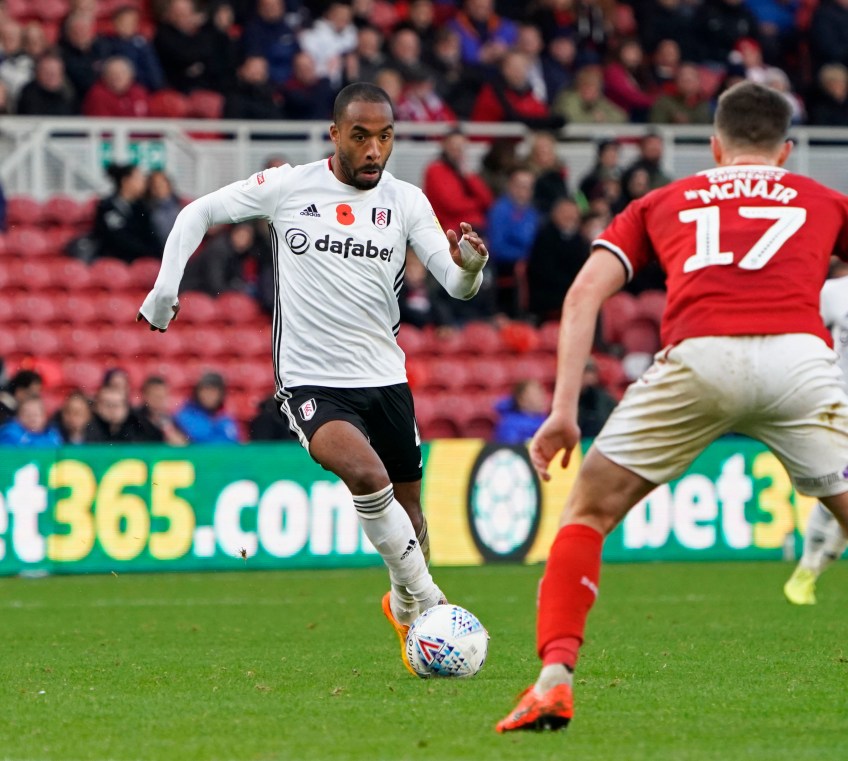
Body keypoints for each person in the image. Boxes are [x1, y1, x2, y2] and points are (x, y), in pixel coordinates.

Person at [496, 82, 848, 732]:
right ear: (786, 151)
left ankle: (553, 680)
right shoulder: (824, 198)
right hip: (798, 360)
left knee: (588, 512)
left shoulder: (664, 199)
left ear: (714, 147)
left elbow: (582, 294)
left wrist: (564, 410)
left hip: (699, 356)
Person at [137, 82, 490, 674]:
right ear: (335, 134)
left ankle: (406, 609)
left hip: (386, 379)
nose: (374, 150)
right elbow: (198, 212)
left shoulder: (406, 201)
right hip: (311, 382)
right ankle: (433, 605)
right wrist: (164, 289)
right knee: (367, 475)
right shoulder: (289, 187)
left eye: (385, 137)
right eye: (361, 136)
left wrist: (472, 268)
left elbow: (456, 285)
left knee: (412, 521)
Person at [783, 259, 848, 605]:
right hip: (840, 406)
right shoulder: (833, 293)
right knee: (839, 488)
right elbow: (798, 329)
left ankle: (810, 571)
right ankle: (808, 569)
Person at [91, 164, 159, 262]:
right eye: (139, 179)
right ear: (125, 181)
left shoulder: (141, 207)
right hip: (114, 261)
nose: (144, 183)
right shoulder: (107, 207)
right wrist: (149, 252)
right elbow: (119, 240)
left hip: (141, 259)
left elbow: (151, 235)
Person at [174, 372, 241, 444]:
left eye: (213, 391)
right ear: (197, 392)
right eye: (205, 390)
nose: (209, 395)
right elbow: (199, 438)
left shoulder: (227, 418)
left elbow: (233, 442)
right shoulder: (183, 416)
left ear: (221, 394)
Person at [135, 375, 187, 444]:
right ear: (145, 395)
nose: (159, 400)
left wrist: (169, 431)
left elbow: (182, 444)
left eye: (162, 396)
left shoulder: (172, 419)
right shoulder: (134, 418)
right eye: (155, 396)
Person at [492, 379, 548, 444]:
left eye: (541, 393)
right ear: (521, 399)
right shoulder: (509, 425)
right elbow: (511, 448)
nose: (541, 398)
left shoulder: (545, 420)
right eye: (536, 394)